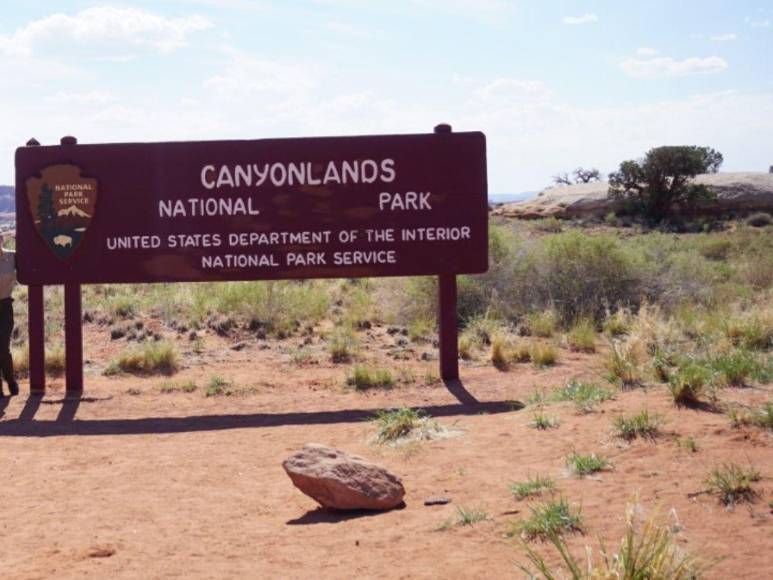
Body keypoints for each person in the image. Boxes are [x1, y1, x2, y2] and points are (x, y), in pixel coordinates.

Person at [0, 234, 18, 396]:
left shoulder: (12, 256)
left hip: (5, 306)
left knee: (3, 347)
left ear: (1, 240)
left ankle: (10, 380)